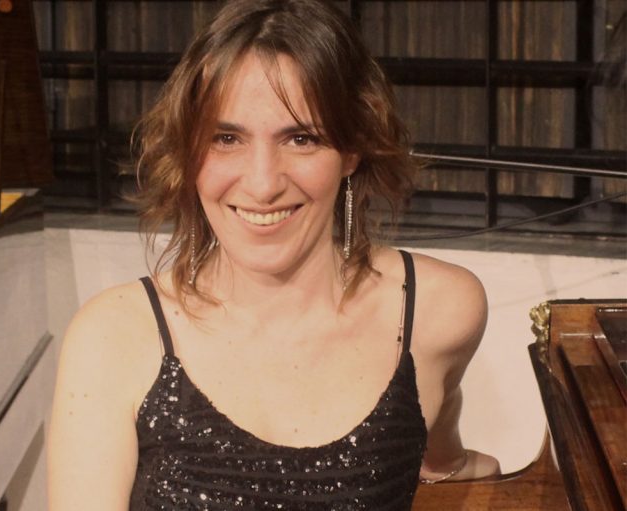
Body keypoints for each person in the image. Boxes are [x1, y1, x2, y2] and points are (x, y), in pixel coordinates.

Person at [48, 0, 500, 509]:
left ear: (352, 150)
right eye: (226, 138)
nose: (263, 184)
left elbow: (443, 458)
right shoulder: (113, 337)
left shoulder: (440, 309)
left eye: (301, 138)